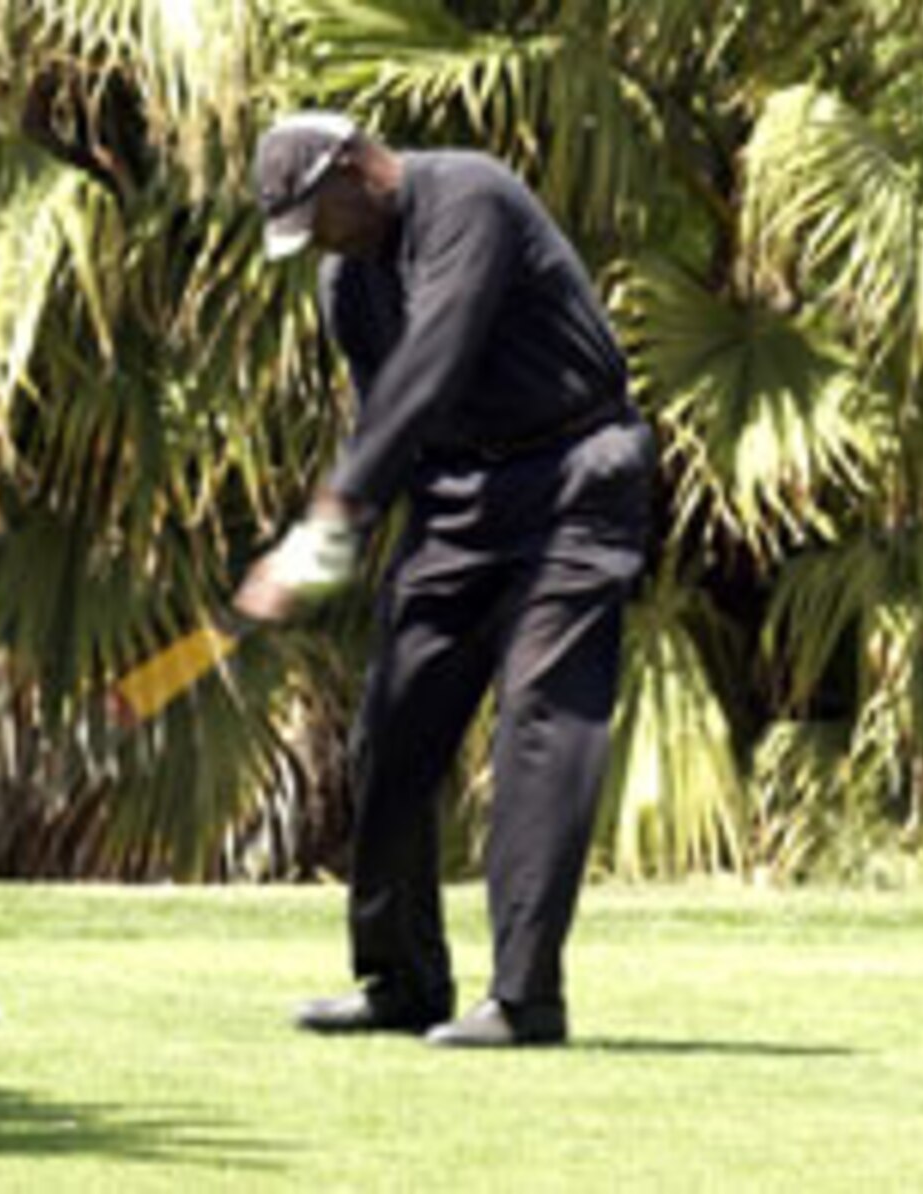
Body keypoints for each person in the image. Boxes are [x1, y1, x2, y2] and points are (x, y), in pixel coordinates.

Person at [236, 111, 655, 1048]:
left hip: (577, 482)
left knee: (540, 730)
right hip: (458, 500)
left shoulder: (468, 197)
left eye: (320, 217)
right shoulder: (349, 283)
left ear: (354, 168)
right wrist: (326, 556)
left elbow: (429, 371)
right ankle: (400, 979)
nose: (320, 245)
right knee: (391, 729)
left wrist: (326, 520)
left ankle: (523, 1000)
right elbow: (388, 421)